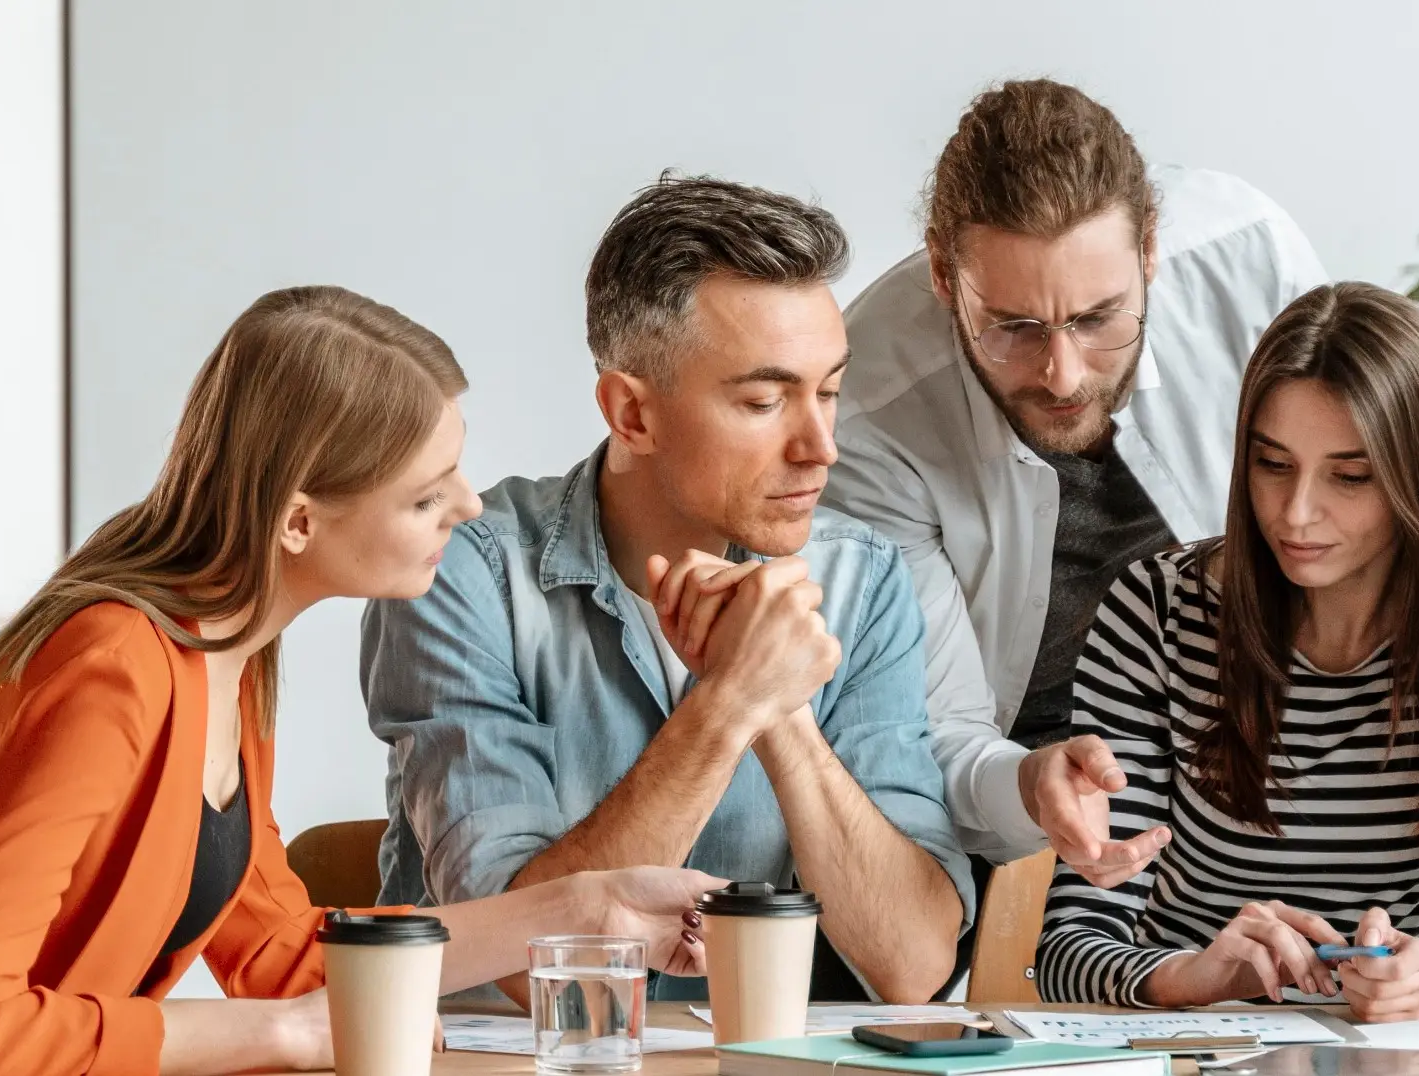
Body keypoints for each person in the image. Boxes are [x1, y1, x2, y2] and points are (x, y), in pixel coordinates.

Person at [0, 286, 718, 1076]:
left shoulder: (225, 664)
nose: (470, 504)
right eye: (424, 493)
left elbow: (289, 957)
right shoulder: (113, 674)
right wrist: (284, 1035)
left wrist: (580, 905)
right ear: (297, 520)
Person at [362, 175, 970, 1005]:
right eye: (764, 400)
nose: (822, 446)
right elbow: (519, 966)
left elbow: (914, 967)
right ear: (632, 414)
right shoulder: (464, 572)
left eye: (829, 390)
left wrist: (780, 709)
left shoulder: (863, 580)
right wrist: (725, 705)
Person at [825, 78, 1329, 886]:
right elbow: (931, 727)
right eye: (1014, 328)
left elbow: (1356, 539)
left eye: (1098, 319)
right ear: (944, 276)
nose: (1063, 376)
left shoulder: (1253, 262)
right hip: (1008, 794)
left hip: (1261, 747)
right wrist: (1027, 781)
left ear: (1151, 250)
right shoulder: (868, 404)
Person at [1035, 283, 1419, 1021]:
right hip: (1196, 1049)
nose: (1295, 513)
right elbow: (1071, 947)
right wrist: (1192, 976)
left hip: (1398, 1056)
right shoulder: (1158, 611)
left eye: (1350, 476)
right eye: (1272, 464)